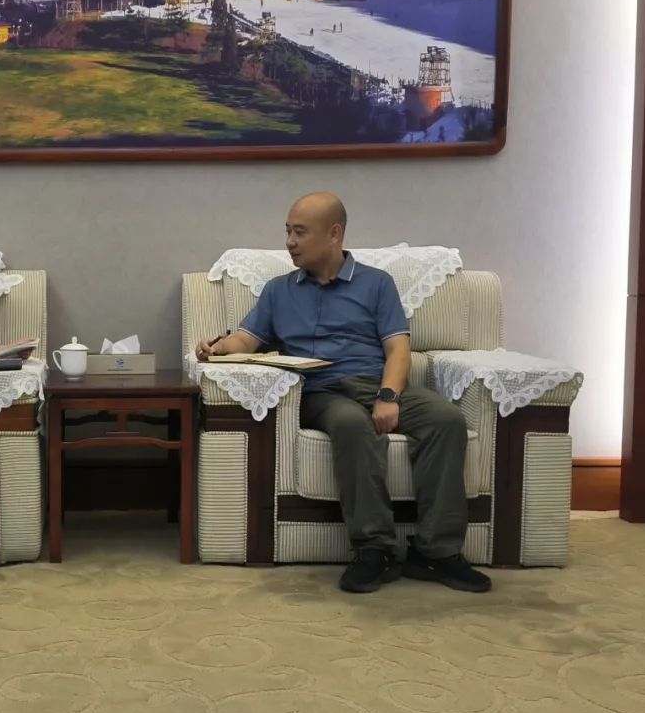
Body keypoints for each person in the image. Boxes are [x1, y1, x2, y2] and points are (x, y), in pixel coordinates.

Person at [195, 192, 491, 595]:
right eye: (288, 231)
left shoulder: (376, 284)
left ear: (334, 234)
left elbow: (398, 349)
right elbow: (246, 340)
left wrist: (388, 396)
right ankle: (375, 549)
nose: (290, 242)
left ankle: (436, 552)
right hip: (320, 391)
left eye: (300, 232)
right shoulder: (278, 290)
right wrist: (217, 347)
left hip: (375, 382)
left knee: (446, 420)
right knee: (352, 424)